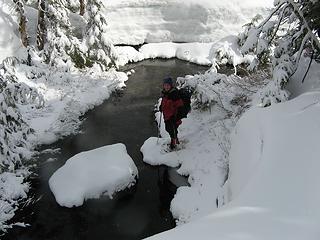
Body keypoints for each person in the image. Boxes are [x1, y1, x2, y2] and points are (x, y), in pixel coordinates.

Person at [160, 77, 184, 150]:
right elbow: (164, 102)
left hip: (173, 116)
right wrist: (161, 107)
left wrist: (176, 117)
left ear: (171, 86)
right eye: (165, 85)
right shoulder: (165, 93)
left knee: (171, 129)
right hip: (167, 115)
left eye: (168, 85)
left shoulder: (174, 94)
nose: (166, 86)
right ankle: (175, 140)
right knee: (170, 129)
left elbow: (180, 105)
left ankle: (173, 143)